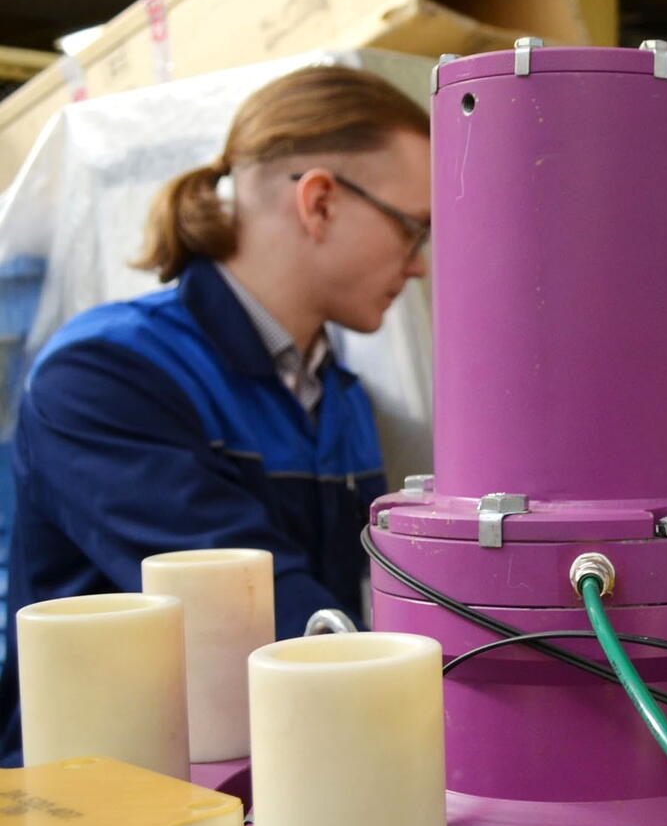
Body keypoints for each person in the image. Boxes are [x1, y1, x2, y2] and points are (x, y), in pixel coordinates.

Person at [1, 65, 431, 763]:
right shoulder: (106, 373)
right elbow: (253, 613)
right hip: (108, 791)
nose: (418, 266)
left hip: (272, 762)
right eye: (414, 228)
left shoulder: (339, 395)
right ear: (320, 202)